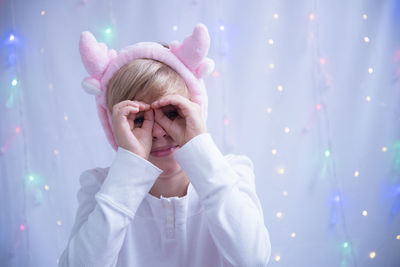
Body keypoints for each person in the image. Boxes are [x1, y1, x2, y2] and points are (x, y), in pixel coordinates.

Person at [58, 24, 271, 267]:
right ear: (116, 128)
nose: (158, 131)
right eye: (138, 120)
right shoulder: (100, 187)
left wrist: (198, 145)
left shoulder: (232, 173)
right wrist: (130, 162)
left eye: (172, 113)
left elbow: (253, 259)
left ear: (196, 111)